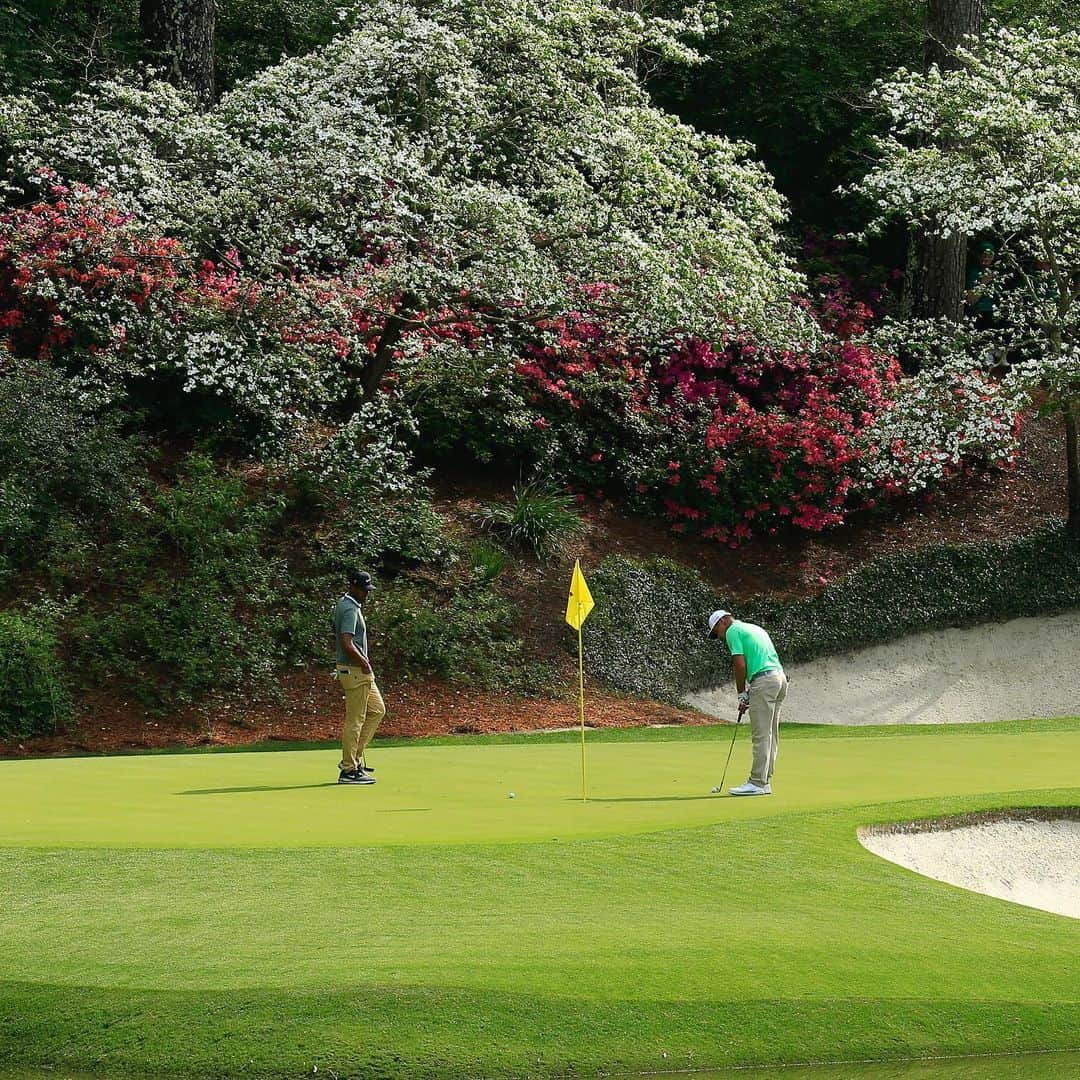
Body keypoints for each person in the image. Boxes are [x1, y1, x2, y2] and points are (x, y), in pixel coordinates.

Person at [707, 609, 788, 796]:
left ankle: (757, 782)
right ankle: (765, 781)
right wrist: (750, 693)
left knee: (761, 735)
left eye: (716, 632)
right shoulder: (754, 628)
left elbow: (739, 663)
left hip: (764, 681)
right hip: (779, 679)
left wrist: (742, 693)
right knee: (770, 735)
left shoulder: (733, 631)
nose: (719, 637)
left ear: (723, 622)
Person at [334, 570, 386, 785]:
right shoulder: (348, 609)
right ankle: (348, 770)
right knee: (355, 719)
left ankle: (354, 760)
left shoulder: (350, 605)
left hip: (357, 671)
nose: (367, 594)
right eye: (364, 590)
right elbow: (347, 642)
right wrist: (364, 663)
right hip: (354, 670)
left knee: (377, 710)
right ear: (354, 587)